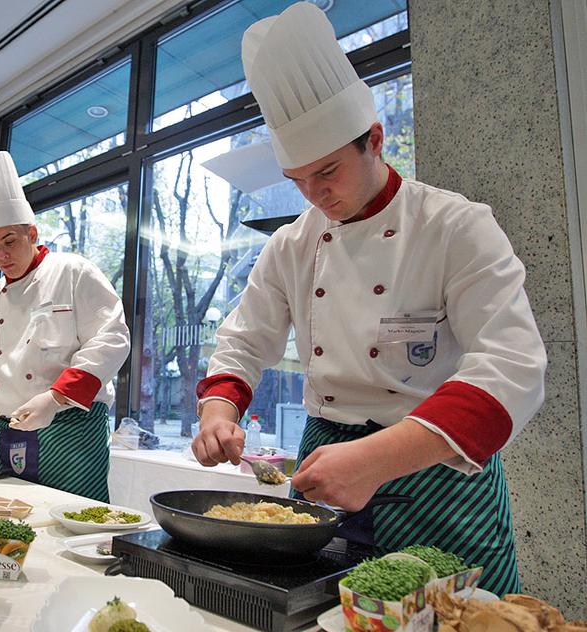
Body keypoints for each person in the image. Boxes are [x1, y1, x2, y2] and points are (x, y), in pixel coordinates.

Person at [191, 3, 545, 595]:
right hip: (325, 465)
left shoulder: (455, 225)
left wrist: (378, 458)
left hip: (437, 466)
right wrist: (218, 414)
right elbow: (243, 342)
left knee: (464, 618)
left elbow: (514, 366)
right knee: (320, 613)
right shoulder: (292, 245)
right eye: (298, 180)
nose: (314, 194)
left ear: (375, 140)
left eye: (327, 171)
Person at [0, 151, 129, 502]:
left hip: (72, 431)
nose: (2, 255)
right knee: (9, 520)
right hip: (11, 431)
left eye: (10, 242)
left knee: (72, 520)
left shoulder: (73, 272)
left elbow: (112, 338)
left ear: (32, 233)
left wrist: (55, 397)